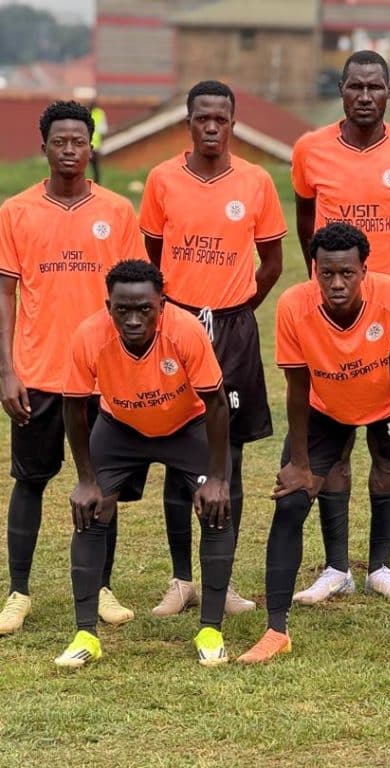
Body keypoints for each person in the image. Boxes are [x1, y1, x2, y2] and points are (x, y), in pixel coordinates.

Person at [237, 223, 390, 662]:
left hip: (389, 405)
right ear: (314, 270)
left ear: (364, 271)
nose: (337, 283)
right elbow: (296, 387)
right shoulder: (293, 305)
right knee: (291, 503)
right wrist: (300, 463)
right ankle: (276, 630)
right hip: (324, 408)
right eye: (326, 273)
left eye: (347, 273)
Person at [290, 50, 390, 602]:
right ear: (341, 90)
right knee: (332, 442)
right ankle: (336, 567)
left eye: (374, 87)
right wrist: (332, 284)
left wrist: (387, 283)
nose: (364, 96)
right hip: (328, 320)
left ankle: (380, 565)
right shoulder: (309, 149)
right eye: (355, 86)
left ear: (389, 92)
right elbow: (306, 224)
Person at [139, 80, 285, 617]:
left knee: (231, 456)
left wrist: (237, 307)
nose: (211, 127)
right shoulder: (161, 180)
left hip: (233, 331)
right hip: (174, 328)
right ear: (188, 123)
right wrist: (175, 313)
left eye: (220, 119)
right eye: (202, 118)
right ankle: (181, 580)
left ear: (233, 123)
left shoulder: (256, 181)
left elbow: (272, 262)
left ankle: (222, 580)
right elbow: (152, 256)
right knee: (178, 451)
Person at [0, 100, 142, 637]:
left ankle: (101, 587)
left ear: (90, 146)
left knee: (103, 485)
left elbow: (135, 297)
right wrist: (6, 371)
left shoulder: (117, 211)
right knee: (30, 481)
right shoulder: (16, 211)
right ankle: (18, 592)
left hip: (102, 377)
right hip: (37, 373)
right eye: (59, 141)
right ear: (44, 147)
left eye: (78, 141)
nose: (69, 150)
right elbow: (5, 294)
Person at [55, 259, 235, 668]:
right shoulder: (89, 336)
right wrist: (85, 479)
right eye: (123, 310)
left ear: (162, 305)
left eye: (144, 310)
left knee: (217, 509)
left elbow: (216, 403)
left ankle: (210, 631)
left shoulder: (186, 330)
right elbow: (74, 408)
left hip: (186, 425)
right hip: (119, 427)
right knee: (90, 509)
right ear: (108, 307)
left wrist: (217, 477)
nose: (134, 320)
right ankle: (85, 634)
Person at [89, 101, 107, 184]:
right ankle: (96, 183)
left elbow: (102, 130)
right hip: (91, 145)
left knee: (93, 166)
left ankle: (96, 183)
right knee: (94, 167)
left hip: (93, 145)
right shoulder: (98, 113)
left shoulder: (98, 113)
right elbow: (103, 130)